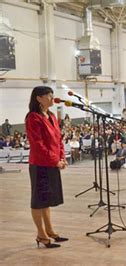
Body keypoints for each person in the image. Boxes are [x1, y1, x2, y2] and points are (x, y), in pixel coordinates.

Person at [25, 86, 69, 249]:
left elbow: (58, 139)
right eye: (49, 96)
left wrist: (62, 158)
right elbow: (38, 144)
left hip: (52, 162)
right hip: (40, 164)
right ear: (39, 98)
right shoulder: (33, 118)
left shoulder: (51, 115)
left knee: (47, 200)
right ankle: (41, 234)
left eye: (52, 95)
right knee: (38, 200)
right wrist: (54, 160)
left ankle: (50, 231)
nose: (52, 98)